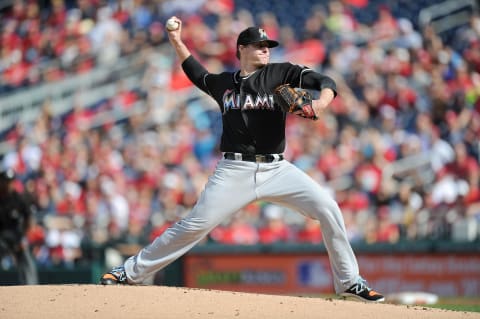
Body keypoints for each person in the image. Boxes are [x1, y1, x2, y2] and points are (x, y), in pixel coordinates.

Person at [100, 16, 385, 302]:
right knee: (195, 225)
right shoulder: (224, 83)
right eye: (258, 45)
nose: (265, 49)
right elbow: (196, 73)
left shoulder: (280, 73)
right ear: (241, 49)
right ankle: (130, 272)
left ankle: (349, 281)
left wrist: (321, 102)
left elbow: (324, 80)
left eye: (267, 45)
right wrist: (177, 41)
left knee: (328, 207)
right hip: (234, 169)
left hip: (277, 168)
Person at [0, 168, 38, 285]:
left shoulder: (18, 199)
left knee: (26, 256)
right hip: (1, 237)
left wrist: (24, 238)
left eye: (10, 181)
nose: (8, 184)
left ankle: (31, 287)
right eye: (6, 181)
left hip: (16, 237)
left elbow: (29, 218)